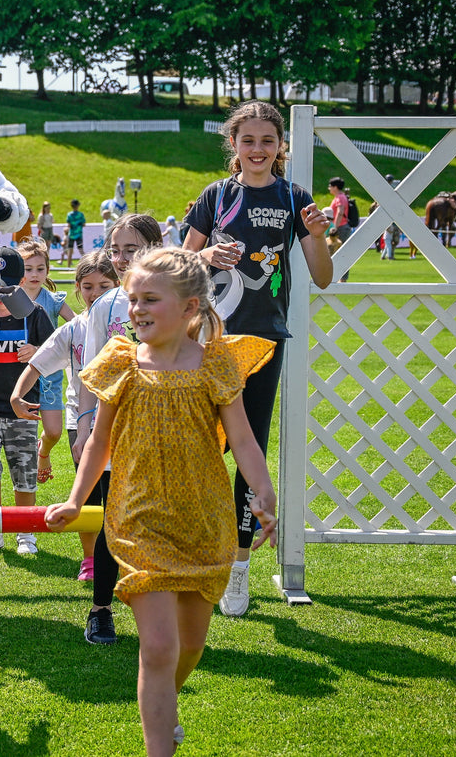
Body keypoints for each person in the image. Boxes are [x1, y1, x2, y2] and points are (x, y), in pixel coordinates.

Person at [44, 247, 278, 757]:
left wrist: (263, 491)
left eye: (150, 299)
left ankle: (163, 705)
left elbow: (242, 439)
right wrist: (75, 500)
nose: (136, 309)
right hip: (138, 520)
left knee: (189, 646)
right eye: (132, 299)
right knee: (157, 648)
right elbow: (98, 444)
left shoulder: (216, 365)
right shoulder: (121, 364)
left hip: (204, 521)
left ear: (191, 307)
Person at [182, 100, 332, 618]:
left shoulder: (294, 197)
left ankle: (238, 565)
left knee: (252, 452)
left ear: (281, 146)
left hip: (265, 340)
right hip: (209, 339)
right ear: (234, 144)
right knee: (198, 444)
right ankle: (195, 549)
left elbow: (322, 276)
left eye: (268, 140)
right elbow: (178, 264)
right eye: (248, 140)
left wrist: (318, 237)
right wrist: (204, 256)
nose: (258, 149)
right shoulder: (216, 195)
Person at [71, 212, 164, 644]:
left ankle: (160, 610)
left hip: (163, 428)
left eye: (132, 249)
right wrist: (85, 428)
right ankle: (100, 610)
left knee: (156, 520)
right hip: (114, 429)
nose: (122, 258)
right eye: (115, 250)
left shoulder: (178, 296)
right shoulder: (104, 305)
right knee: (112, 521)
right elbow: (90, 372)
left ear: (155, 247)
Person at [10, 251, 119, 581]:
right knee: (88, 494)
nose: (95, 293)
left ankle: (122, 556)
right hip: (80, 421)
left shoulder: (128, 325)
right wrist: (17, 395)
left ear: (118, 286)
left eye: (104, 286)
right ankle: (91, 558)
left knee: (119, 494)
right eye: (87, 286)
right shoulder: (74, 328)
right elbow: (37, 363)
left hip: (123, 420)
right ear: (77, 288)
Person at [0, 247, 55, 555]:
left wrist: (38, 352)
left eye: (6, 287)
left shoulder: (35, 314)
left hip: (24, 409)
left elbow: (56, 352)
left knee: (24, 470)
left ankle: (25, 531)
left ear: (19, 282)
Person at [15, 237, 74, 490]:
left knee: (54, 432)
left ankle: (44, 451)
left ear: (48, 270)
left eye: (40, 269)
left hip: (50, 376)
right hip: (18, 377)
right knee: (20, 436)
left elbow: (77, 328)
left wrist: (39, 350)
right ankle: (24, 481)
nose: (34, 274)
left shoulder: (54, 301)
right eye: (28, 269)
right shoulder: (8, 300)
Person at [327, 177, 352, 282]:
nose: (329, 188)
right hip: (342, 228)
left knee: (340, 253)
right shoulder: (341, 197)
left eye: (330, 186)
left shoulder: (339, 198)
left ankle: (342, 278)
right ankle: (339, 277)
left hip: (341, 228)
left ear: (335, 187)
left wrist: (335, 228)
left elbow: (340, 212)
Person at [65, 199, 87, 266]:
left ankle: (68, 267)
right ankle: (87, 264)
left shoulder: (69, 215)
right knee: (81, 250)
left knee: (70, 251)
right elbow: (84, 224)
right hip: (79, 234)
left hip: (71, 234)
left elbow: (68, 225)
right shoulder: (80, 215)